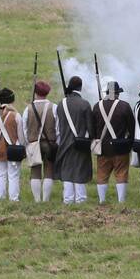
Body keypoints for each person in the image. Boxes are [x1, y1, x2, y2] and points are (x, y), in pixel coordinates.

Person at [91, 79, 134, 204]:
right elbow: (132, 127)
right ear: (117, 93)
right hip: (121, 146)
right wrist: (130, 142)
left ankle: (102, 200)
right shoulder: (124, 106)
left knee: (102, 174)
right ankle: (121, 200)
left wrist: (96, 141)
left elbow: (93, 127)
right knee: (121, 172)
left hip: (102, 147)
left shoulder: (96, 106)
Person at [56, 77, 94, 205]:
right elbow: (91, 127)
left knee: (67, 172)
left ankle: (68, 199)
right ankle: (80, 199)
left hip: (64, 141)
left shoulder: (61, 104)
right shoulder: (85, 104)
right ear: (80, 87)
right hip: (81, 143)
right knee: (79, 170)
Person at [22, 80, 58, 203]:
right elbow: (58, 128)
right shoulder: (54, 107)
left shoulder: (28, 109)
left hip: (33, 143)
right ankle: (45, 199)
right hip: (50, 143)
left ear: (35, 92)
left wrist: (28, 142)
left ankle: (37, 200)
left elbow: (24, 129)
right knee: (49, 171)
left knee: (35, 172)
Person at [0, 88, 24, 202]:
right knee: (13, 175)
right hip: (13, 149)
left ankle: (1, 198)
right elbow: (21, 136)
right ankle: (14, 199)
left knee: (1, 174)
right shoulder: (16, 115)